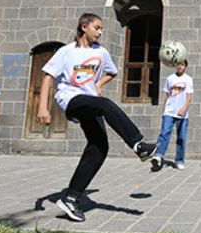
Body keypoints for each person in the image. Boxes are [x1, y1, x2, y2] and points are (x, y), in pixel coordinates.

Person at [37, 13, 157, 222]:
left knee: (99, 147)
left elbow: (112, 72)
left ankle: (71, 198)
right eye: (97, 28)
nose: (100, 32)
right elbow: (48, 77)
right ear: (84, 27)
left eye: (101, 29)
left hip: (90, 101)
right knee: (106, 105)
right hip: (70, 99)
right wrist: (42, 108)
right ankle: (138, 144)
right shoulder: (66, 52)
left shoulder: (101, 52)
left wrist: (98, 85)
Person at [152, 59, 193, 171]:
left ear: (185, 66)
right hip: (169, 111)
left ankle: (179, 160)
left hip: (182, 113)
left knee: (181, 137)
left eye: (182, 65)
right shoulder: (170, 79)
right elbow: (167, 96)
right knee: (164, 133)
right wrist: (164, 110)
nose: (180, 66)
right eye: (178, 64)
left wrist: (184, 109)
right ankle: (159, 156)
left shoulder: (188, 79)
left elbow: (189, 97)